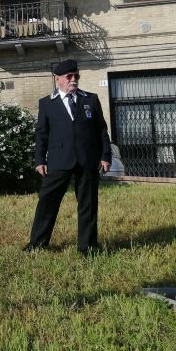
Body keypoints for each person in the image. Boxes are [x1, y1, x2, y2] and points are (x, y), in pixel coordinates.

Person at [25, 59, 111, 254]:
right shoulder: (47, 103)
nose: (73, 79)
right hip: (58, 160)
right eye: (69, 76)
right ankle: (37, 244)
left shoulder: (91, 99)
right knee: (47, 202)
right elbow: (42, 134)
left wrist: (105, 155)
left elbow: (101, 130)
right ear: (58, 79)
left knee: (88, 204)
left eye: (76, 76)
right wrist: (40, 160)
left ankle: (88, 247)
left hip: (87, 159)